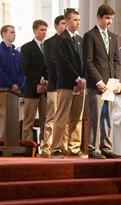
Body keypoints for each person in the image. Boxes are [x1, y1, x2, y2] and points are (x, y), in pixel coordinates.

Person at [83, 4, 121, 159]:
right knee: (95, 117)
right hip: (96, 85)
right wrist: (99, 81)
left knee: (107, 117)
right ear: (99, 17)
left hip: (111, 85)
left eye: (111, 18)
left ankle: (106, 148)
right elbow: (88, 61)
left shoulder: (112, 37)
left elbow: (116, 61)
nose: (109, 21)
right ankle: (93, 149)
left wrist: (117, 81)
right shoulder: (90, 35)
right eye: (107, 18)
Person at [50, 9, 86, 158]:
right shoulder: (61, 39)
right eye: (75, 20)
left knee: (76, 117)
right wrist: (77, 79)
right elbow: (64, 63)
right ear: (67, 21)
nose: (78, 22)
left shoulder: (80, 40)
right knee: (62, 117)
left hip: (80, 84)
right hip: (66, 83)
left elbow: (83, 61)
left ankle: (73, 147)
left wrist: (83, 79)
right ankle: (56, 149)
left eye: (79, 20)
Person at [0, 25, 24, 140]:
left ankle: (13, 143)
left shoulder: (17, 53)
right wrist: (10, 85)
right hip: (2, 89)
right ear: (4, 34)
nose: (14, 34)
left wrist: (18, 84)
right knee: (1, 119)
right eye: (12, 32)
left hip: (16, 91)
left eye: (14, 32)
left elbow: (22, 72)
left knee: (15, 118)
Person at [20, 20, 48, 149]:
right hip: (32, 88)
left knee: (46, 120)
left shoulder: (48, 47)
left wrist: (48, 80)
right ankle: (27, 146)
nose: (44, 32)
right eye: (41, 30)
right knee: (28, 121)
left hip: (46, 89)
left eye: (45, 30)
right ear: (34, 31)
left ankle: (45, 146)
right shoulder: (27, 47)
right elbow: (26, 68)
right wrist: (40, 79)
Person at [41, 15, 67, 157]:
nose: (65, 25)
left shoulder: (71, 41)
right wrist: (68, 72)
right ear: (56, 26)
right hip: (55, 85)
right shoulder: (49, 43)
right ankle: (47, 147)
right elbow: (51, 63)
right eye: (63, 23)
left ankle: (63, 147)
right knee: (52, 118)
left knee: (65, 119)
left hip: (69, 86)